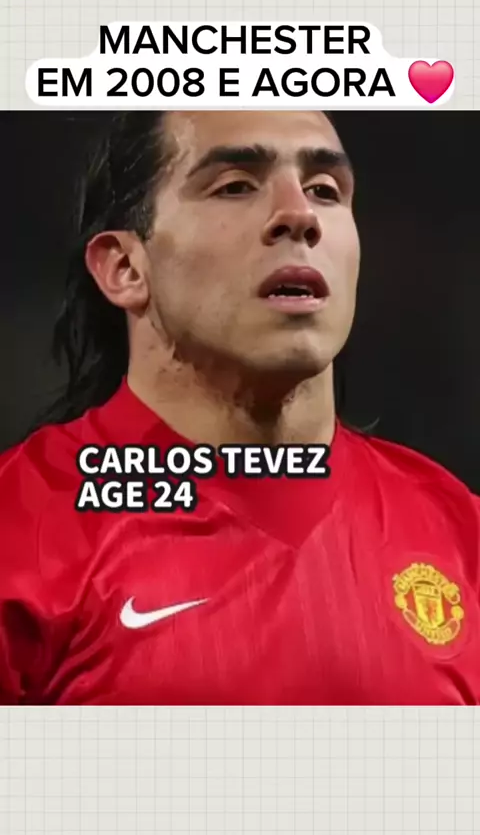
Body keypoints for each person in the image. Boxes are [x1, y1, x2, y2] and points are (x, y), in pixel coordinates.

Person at [0, 110, 479, 706]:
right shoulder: (21, 527)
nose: (300, 216)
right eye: (235, 186)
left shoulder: (460, 533)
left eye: (325, 190)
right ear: (125, 267)